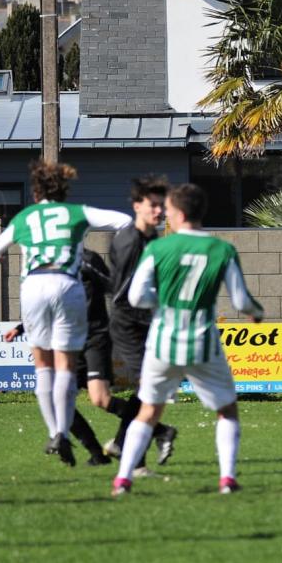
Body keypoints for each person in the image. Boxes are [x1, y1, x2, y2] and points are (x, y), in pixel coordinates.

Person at [111, 182, 264, 496]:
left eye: (167, 210)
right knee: (227, 411)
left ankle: (123, 479)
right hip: (202, 343)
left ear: (179, 214)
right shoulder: (222, 249)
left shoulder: (158, 248)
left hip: (163, 342)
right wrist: (256, 312)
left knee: (148, 412)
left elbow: (137, 296)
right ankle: (227, 479)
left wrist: (163, 300)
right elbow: (241, 301)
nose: (164, 214)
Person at [0, 161, 132, 467]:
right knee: (65, 364)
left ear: (36, 192)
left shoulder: (25, 217)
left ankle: (55, 432)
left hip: (34, 285)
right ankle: (63, 432)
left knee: (42, 365)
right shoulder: (76, 213)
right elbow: (124, 221)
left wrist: (1, 258)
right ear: (64, 191)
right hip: (67, 284)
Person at [3, 246, 116, 467]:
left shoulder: (87, 258)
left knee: (100, 399)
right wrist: (20, 327)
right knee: (61, 400)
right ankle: (94, 452)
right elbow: (46, 306)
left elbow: (113, 287)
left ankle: (157, 429)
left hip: (94, 337)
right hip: (67, 339)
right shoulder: (44, 265)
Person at [103, 175, 179, 473]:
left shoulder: (150, 238)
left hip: (147, 322)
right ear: (137, 206)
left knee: (149, 388)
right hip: (128, 324)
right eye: (153, 206)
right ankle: (136, 462)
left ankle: (124, 444)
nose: (159, 212)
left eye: (162, 206)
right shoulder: (129, 241)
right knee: (148, 388)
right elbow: (123, 291)